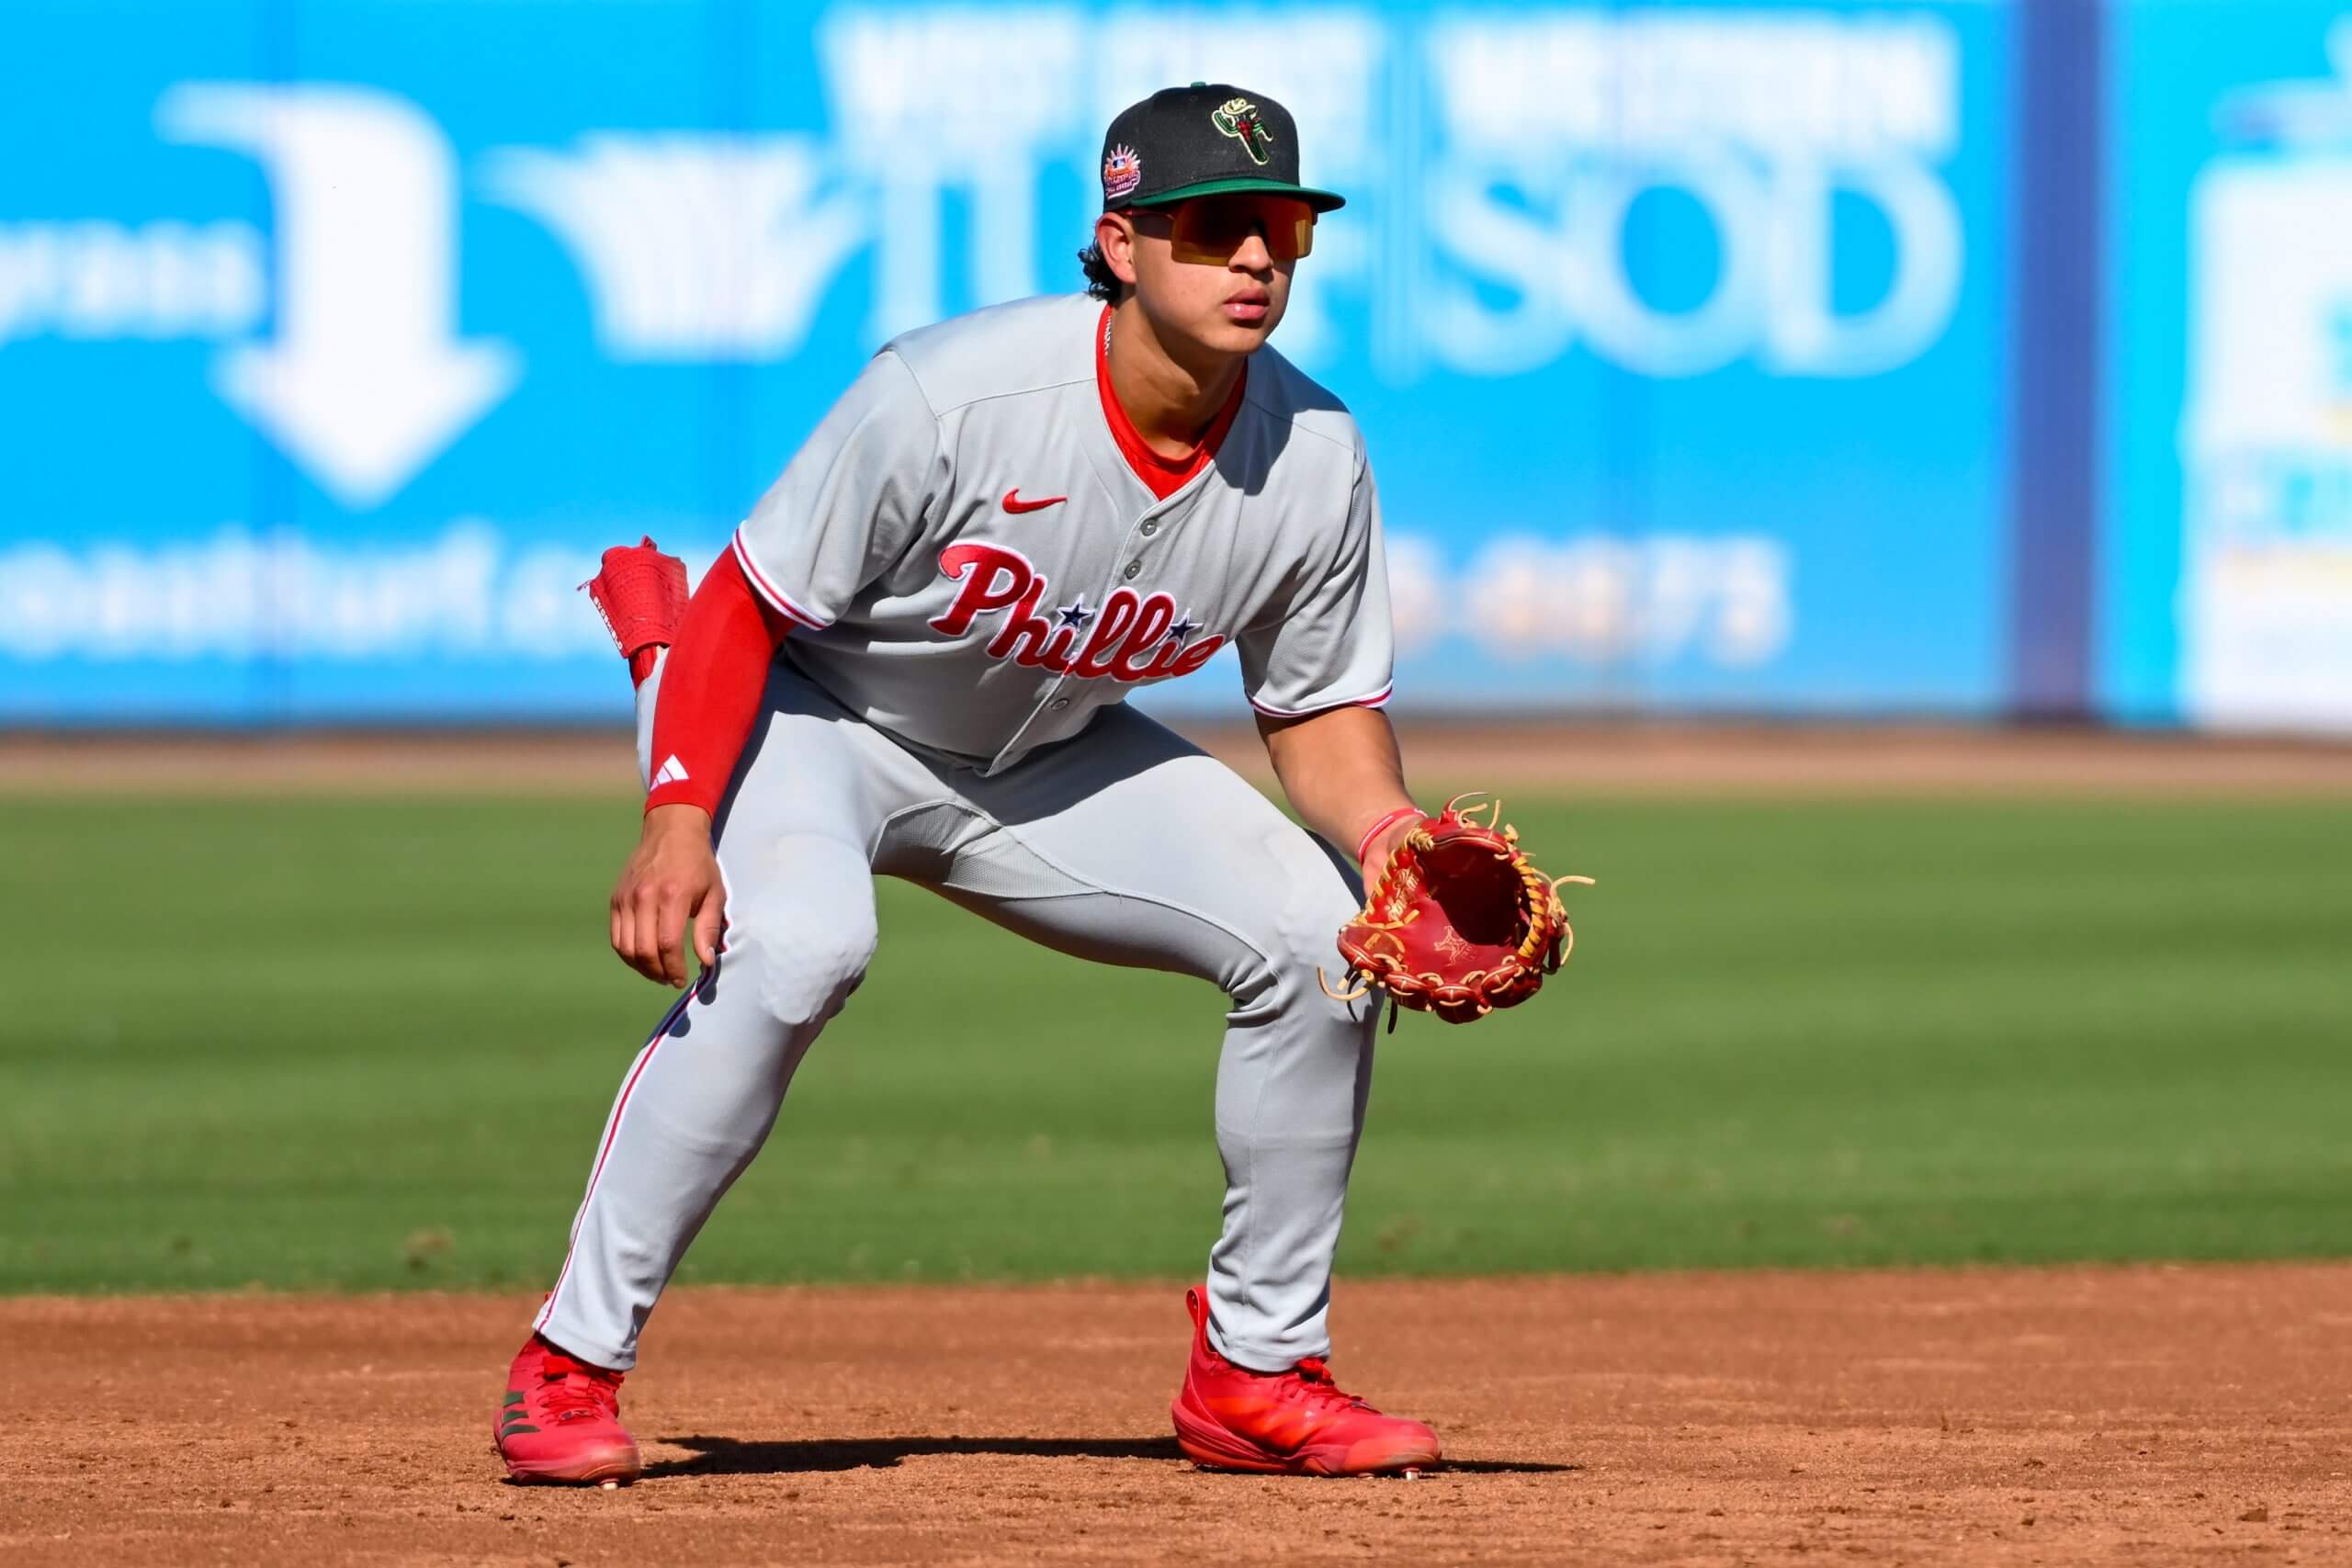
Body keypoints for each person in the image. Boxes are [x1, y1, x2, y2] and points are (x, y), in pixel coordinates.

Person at [495, 83, 1442, 1485]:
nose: (1256, 258)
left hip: (1045, 762)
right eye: (1214, 226)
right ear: (1122, 245)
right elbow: (747, 607)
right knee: (805, 946)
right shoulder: (956, 393)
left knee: (1323, 943)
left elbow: (1316, 710)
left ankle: (1255, 1371)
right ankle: (568, 1365)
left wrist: (1394, 838)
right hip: (822, 717)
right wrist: (679, 817)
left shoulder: (1312, 452)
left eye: (1283, 229)